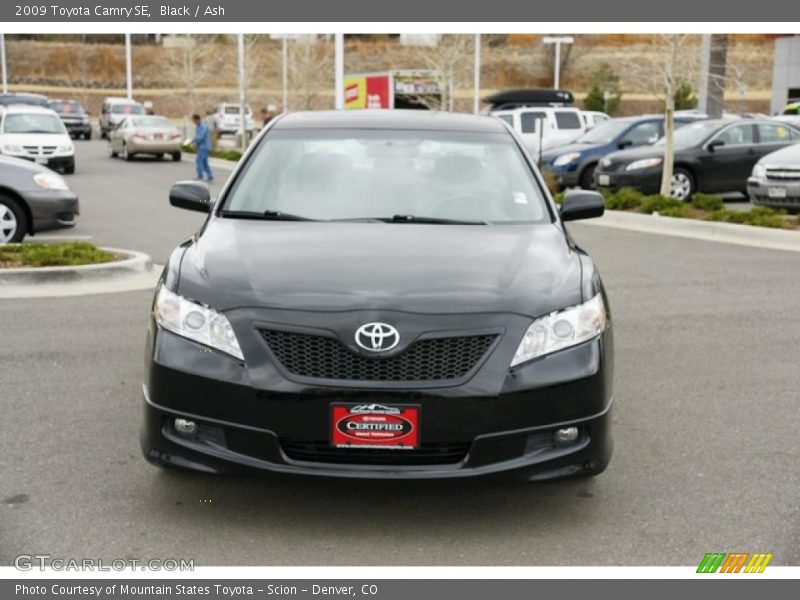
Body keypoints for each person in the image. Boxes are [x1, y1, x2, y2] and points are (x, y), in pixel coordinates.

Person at [191, 113, 213, 182]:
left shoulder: (203, 126)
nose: (193, 122)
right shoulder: (198, 126)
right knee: (204, 162)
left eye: (194, 120)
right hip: (200, 146)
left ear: (197, 120)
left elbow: (200, 137)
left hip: (204, 146)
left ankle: (200, 176)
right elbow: (197, 136)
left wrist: (193, 141)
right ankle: (210, 175)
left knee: (199, 161)